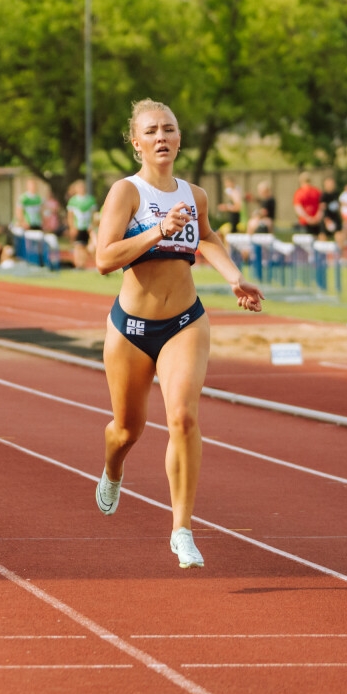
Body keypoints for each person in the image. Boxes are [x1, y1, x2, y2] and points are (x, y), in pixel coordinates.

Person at [92, 99, 264, 570]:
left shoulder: (195, 194)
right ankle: (113, 468)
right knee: (127, 430)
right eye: (151, 131)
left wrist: (233, 276)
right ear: (137, 143)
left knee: (183, 418)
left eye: (169, 128)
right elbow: (104, 259)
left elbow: (206, 237)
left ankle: (182, 529)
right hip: (130, 329)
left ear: (180, 137)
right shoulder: (125, 192)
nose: (161, 137)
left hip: (185, 322)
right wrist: (156, 230)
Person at [66, 180, 98, 270]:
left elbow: (94, 214)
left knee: (91, 247)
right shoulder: (73, 201)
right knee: (78, 246)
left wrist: (93, 225)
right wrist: (72, 227)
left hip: (88, 227)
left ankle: (94, 264)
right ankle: (79, 265)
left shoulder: (90, 200)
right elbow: (70, 216)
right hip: (78, 227)